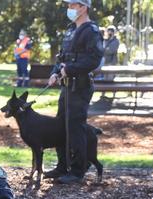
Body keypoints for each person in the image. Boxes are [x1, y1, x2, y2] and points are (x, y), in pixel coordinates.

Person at [45, 0, 103, 184]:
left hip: (81, 86)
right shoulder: (71, 30)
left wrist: (68, 69)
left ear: (83, 7)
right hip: (67, 87)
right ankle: (62, 165)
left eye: (73, 6)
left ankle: (77, 171)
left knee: (75, 127)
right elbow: (61, 57)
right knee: (61, 125)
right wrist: (55, 73)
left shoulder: (91, 31)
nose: (69, 9)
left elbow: (94, 60)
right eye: (69, 6)